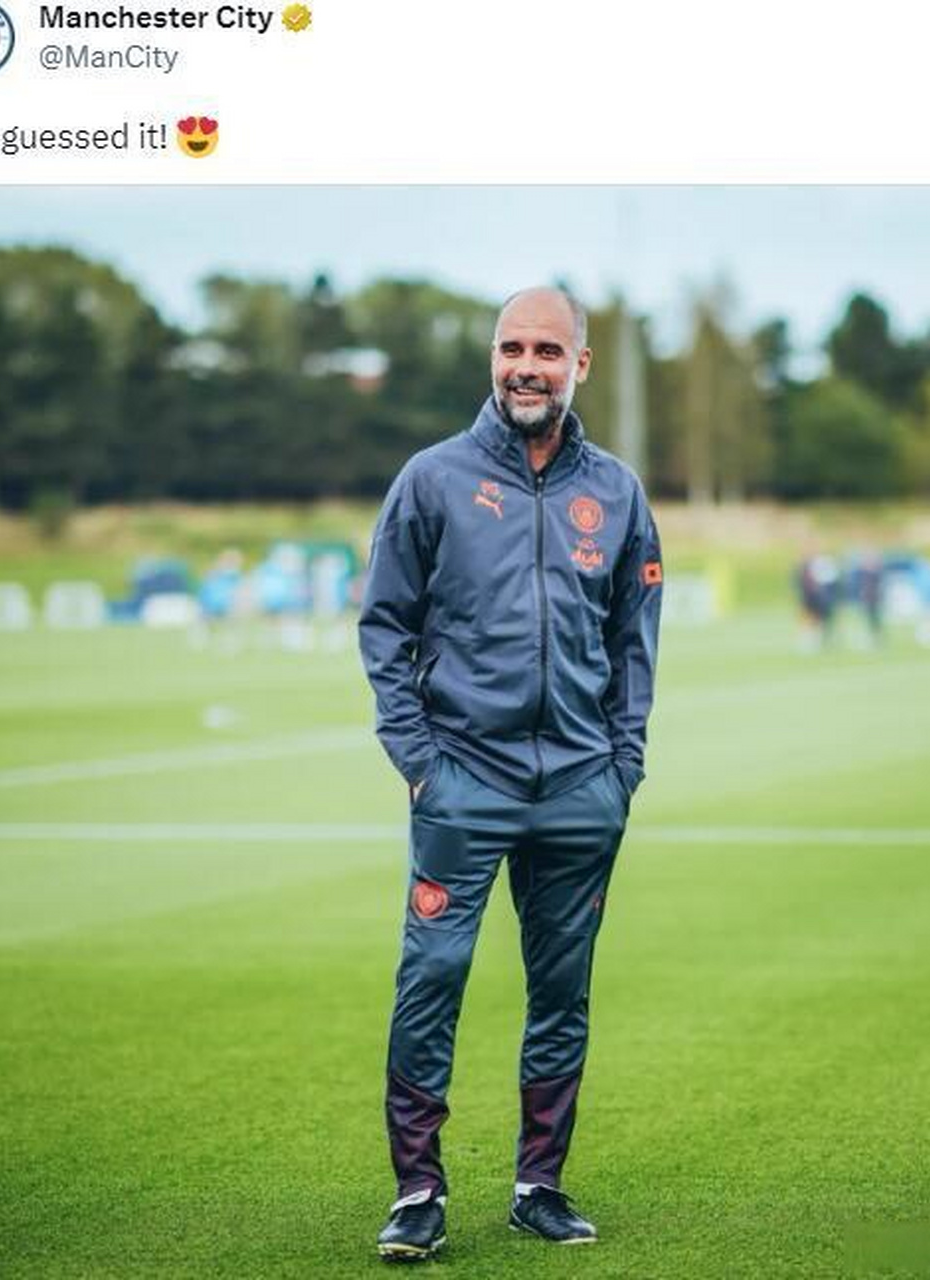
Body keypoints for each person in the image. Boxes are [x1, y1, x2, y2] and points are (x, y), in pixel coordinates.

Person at [358, 286, 663, 1260]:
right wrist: (419, 761)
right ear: (492, 358)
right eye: (509, 348)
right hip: (462, 783)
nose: (524, 366)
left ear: (580, 365)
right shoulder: (432, 479)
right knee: (431, 977)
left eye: (545, 350)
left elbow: (634, 640)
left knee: (561, 992)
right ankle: (417, 1190)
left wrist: (620, 766)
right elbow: (383, 626)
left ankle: (540, 1183)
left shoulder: (616, 491)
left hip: (579, 789)